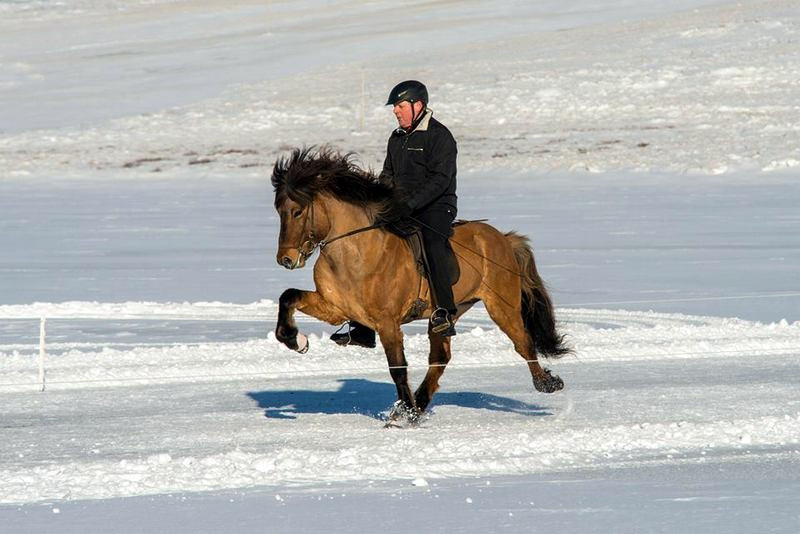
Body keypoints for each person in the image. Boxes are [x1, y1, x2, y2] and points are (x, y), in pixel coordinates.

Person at [331, 80, 458, 348]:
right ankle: (363, 327)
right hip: (402, 207)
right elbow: (388, 175)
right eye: (395, 107)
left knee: (433, 243)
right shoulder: (396, 138)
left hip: (436, 206)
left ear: (418, 105)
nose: (396, 112)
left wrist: (409, 204)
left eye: (400, 106)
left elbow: (440, 179)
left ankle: (444, 311)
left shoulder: (440, 136)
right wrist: (379, 202)